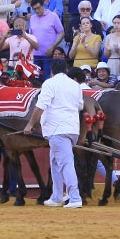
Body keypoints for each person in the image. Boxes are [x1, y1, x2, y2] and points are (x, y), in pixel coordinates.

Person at [24, 58, 84, 208]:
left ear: (51, 71)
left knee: (65, 163)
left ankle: (75, 198)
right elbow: (80, 106)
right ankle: (57, 196)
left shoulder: (50, 83)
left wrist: (30, 124)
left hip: (58, 129)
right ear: (66, 70)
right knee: (56, 163)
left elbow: (41, 106)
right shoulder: (75, 85)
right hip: (72, 128)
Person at [28, 0, 63, 78]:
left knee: (48, 77)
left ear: (43, 5)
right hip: (35, 54)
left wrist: (53, 47)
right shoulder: (32, 18)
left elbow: (61, 33)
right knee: (36, 79)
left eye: (38, 8)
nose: (37, 11)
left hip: (49, 54)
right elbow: (31, 34)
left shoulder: (53, 16)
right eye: (34, 9)